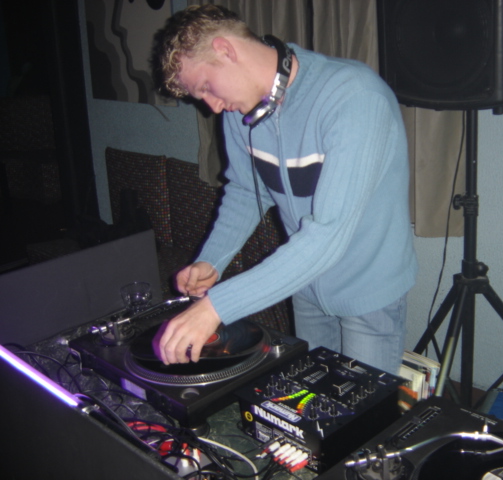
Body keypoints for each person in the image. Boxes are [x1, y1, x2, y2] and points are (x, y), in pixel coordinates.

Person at [152, 4, 418, 374]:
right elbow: (246, 190)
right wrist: (211, 260)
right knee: (311, 395)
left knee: (361, 405)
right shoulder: (240, 113)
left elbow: (327, 234)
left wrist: (216, 307)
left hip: (367, 291)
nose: (212, 106)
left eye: (207, 87)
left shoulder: (354, 98)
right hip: (304, 285)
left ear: (225, 50)